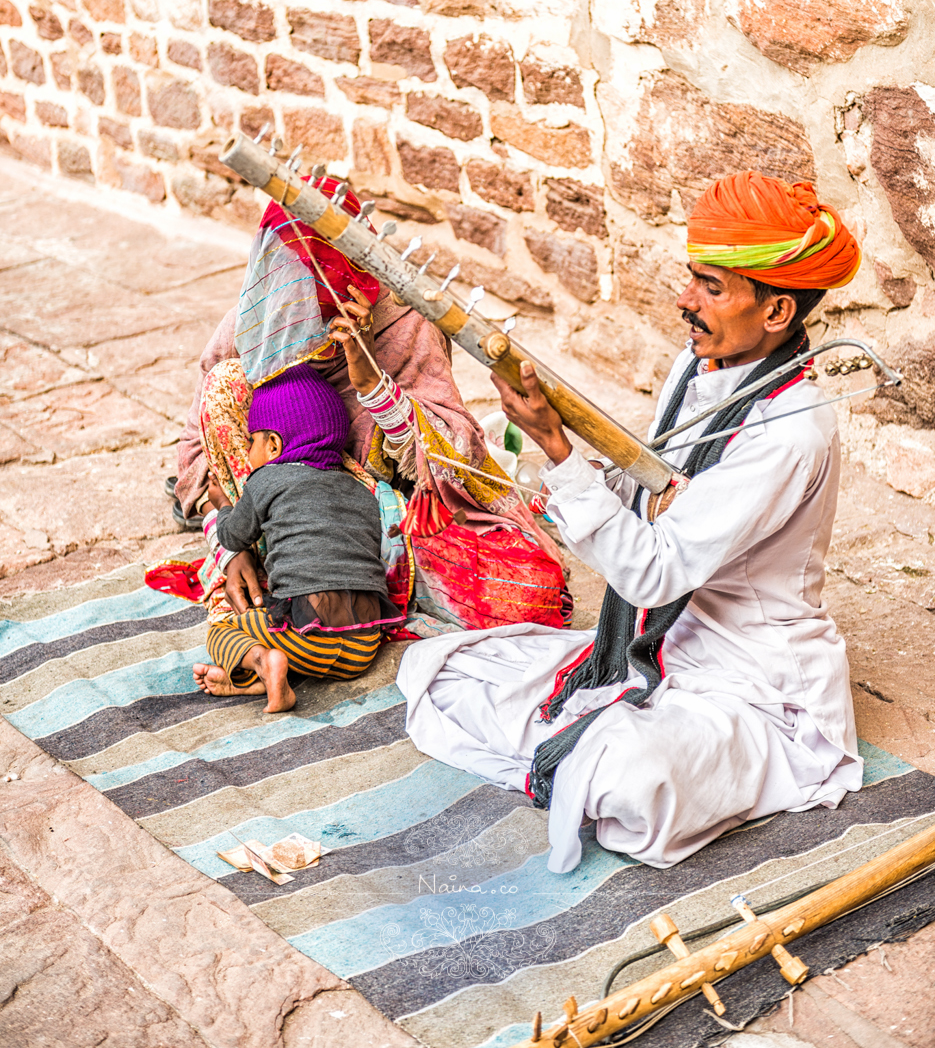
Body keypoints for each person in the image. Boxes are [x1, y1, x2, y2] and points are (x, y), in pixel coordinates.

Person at [398, 172, 865, 874]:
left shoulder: (791, 430)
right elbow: (648, 479)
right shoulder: (698, 360)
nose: (686, 301)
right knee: (448, 672)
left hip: (753, 681)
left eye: (710, 287)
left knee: (624, 780)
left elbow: (653, 567)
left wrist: (559, 453)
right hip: (663, 640)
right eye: (692, 280)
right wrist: (563, 468)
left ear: (774, 314)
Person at [175, 175, 568, 632]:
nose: (301, 313)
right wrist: (228, 547)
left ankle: (326, 589)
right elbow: (198, 451)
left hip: (384, 520)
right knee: (224, 383)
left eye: (316, 302)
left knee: (530, 594)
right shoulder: (257, 320)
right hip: (279, 519)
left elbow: (452, 455)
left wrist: (370, 382)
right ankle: (274, 569)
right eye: (292, 294)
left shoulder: (407, 322)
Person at [193, 364, 398, 712]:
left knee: (223, 630)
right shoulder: (361, 491)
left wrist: (222, 505)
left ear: (273, 445)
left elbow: (232, 536)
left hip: (305, 635)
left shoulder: (266, 480)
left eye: (251, 442)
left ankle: (262, 664)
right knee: (310, 649)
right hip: (365, 643)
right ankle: (265, 681)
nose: (248, 451)